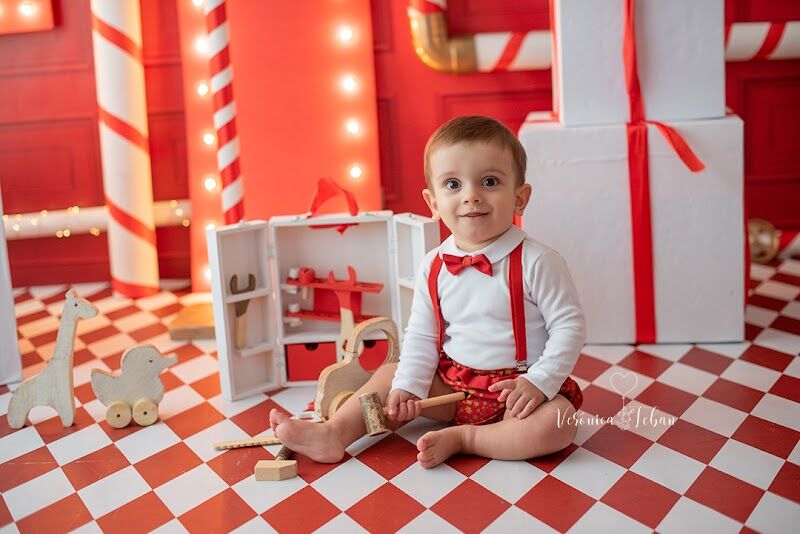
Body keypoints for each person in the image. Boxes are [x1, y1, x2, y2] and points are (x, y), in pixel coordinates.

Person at [270, 115, 586, 468]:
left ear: (520, 198)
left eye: (489, 181)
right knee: (390, 375)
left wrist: (539, 382)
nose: (471, 196)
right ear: (433, 203)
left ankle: (467, 439)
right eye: (453, 184)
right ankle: (335, 433)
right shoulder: (434, 265)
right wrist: (409, 386)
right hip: (452, 387)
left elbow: (569, 327)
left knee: (558, 423)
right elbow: (422, 334)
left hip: (517, 394)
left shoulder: (538, 261)